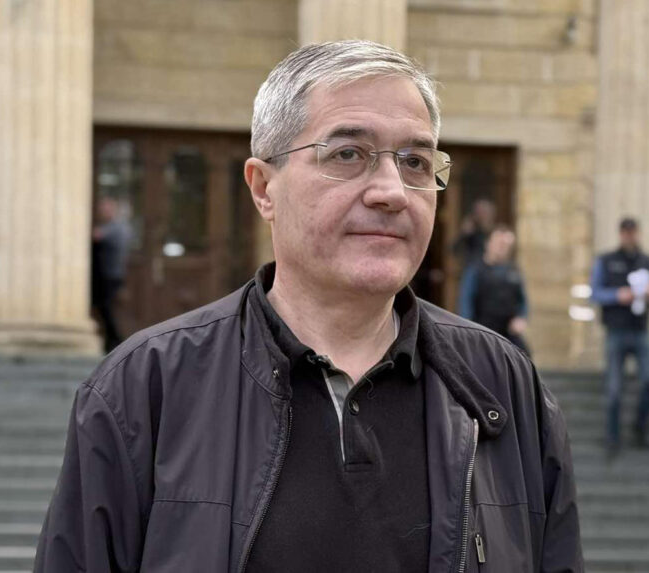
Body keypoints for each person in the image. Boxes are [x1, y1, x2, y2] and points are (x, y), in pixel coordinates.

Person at [35, 40, 581, 572]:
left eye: (415, 161)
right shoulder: (141, 390)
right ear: (263, 188)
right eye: (348, 154)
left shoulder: (504, 386)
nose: (392, 191)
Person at [590, 217, 649, 458]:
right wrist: (617, 296)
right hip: (616, 330)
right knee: (613, 388)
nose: (630, 236)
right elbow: (595, 293)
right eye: (626, 232)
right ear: (620, 234)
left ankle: (640, 427)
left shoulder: (646, 261)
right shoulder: (606, 260)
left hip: (640, 330)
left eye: (633, 232)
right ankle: (613, 436)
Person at [458, 225, 531, 355]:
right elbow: (465, 302)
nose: (503, 248)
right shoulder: (475, 270)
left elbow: (523, 301)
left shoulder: (513, 271)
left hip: (508, 333)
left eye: (507, 246)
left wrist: (521, 318)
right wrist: (468, 330)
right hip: (482, 332)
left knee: (526, 358)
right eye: (500, 243)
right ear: (489, 243)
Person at [91, 196, 130, 353]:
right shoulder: (113, 226)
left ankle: (116, 340)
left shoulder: (116, 227)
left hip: (110, 274)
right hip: (106, 274)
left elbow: (96, 236)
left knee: (106, 308)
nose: (102, 211)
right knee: (104, 308)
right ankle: (111, 340)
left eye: (106, 208)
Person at [452, 197, 497, 268]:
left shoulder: (496, 232)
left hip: (492, 268)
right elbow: (454, 250)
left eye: (484, 212)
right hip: (473, 268)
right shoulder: (471, 233)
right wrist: (463, 234)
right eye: (478, 212)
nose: (481, 215)